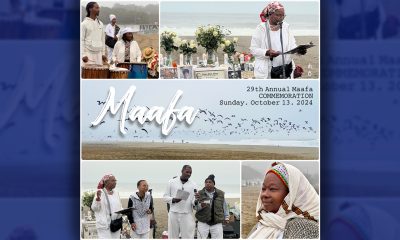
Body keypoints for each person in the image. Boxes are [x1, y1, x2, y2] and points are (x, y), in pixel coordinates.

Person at [247, 162, 319, 239]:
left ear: (290, 195)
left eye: (272, 189)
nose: (264, 194)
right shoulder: (263, 221)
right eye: (263, 189)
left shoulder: (305, 228)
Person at [250, 1, 306, 79]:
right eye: (278, 15)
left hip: (286, 70)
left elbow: (292, 45)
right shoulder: (261, 28)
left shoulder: (286, 27)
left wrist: (298, 51)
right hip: (267, 72)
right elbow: (253, 50)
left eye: (283, 15)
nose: (281, 17)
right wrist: (266, 52)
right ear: (270, 14)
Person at [163, 165, 197, 239]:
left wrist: (196, 201)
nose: (189, 174)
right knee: (172, 236)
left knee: (188, 236)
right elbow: (165, 197)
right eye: (187, 172)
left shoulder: (193, 184)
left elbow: (193, 200)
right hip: (173, 213)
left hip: (187, 214)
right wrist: (174, 199)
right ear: (182, 171)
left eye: (190, 173)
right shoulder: (171, 182)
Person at [195, 174, 230, 239]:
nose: (207, 183)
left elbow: (224, 206)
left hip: (216, 222)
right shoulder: (199, 193)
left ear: (214, 184)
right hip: (203, 222)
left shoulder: (220, 194)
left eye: (210, 182)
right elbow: (195, 207)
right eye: (206, 182)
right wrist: (200, 205)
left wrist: (226, 217)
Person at [91, 174, 123, 239]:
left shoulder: (116, 193)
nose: (115, 182)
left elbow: (119, 206)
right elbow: (94, 208)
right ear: (106, 182)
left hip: (115, 224)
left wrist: (124, 212)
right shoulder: (100, 192)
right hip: (104, 226)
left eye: (115, 180)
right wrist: (97, 200)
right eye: (113, 180)